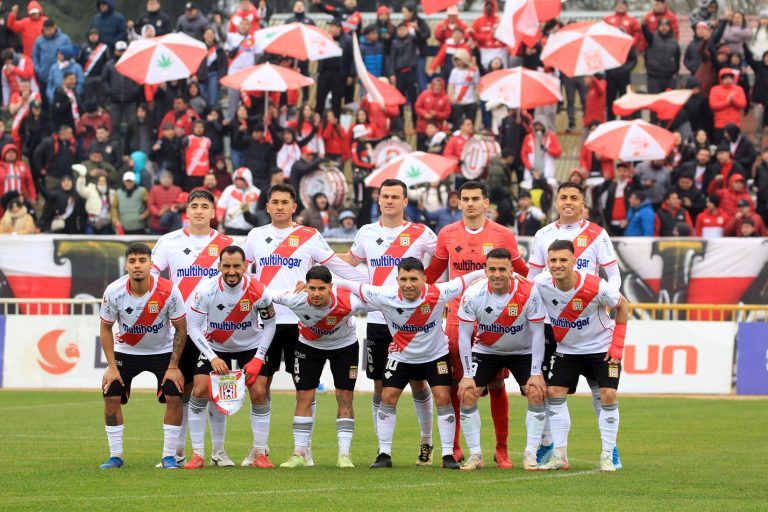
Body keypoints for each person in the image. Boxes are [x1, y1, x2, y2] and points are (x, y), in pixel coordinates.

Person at [242, 183, 365, 468]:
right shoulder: (255, 235)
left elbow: (336, 267)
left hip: (302, 321)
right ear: (267, 206)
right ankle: (259, 448)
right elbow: (243, 273)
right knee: (260, 386)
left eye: (285, 202)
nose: (280, 206)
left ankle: (303, 450)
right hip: (267, 319)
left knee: (304, 389)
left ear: (294, 206)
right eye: (275, 202)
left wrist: (371, 284)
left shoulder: (309, 235)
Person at [339, 257, 484, 468]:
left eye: (414, 279)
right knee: (387, 397)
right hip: (401, 357)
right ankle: (384, 454)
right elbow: (351, 285)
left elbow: (464, 279)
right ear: (397, 279)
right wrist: (319, 284)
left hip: (435, 356)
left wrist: (493, 273)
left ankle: (447, 455)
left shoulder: (438, 292)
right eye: (404, 279)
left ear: (424, 279)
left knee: (443, 398)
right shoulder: (385, 295)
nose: (408, 284)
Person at [423, 181, 529, 465]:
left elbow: (523, 272)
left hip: (494, 320)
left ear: (486, 202)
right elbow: (432, 274)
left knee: (496, 383)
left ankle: (501, 449)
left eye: (475, 199)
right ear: (459, 202)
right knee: (457, 382)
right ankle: (456, 446)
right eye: (465, 199)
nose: (470, 203)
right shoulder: (447, 233)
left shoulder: (503, 234)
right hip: (458, 318)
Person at [335, 178, 440, 466]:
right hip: (377, 319)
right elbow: (350, 262)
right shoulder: (367, 232)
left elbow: (442, 259)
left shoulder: (421, 233)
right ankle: (384, 451)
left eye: (395, 196)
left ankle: (426, 442)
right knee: (380, 386)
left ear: (405, 201)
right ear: (378, 200)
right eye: (385, 196)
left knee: (419, 383)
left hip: (412, 321)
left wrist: (429, 291)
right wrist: (316, 259)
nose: (389, 201)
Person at [527, 181, 622, 468]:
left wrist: (608, 298)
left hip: (591, 317)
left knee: (602, 391)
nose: (568, 202)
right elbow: (532, 280)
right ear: (556, 202)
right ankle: (550, 446)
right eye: (563, 197)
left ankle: (610, 450)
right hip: (553, 326)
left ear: (583, 203)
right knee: (550, 391)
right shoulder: (543, 235)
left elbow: (613, 274)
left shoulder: (597, 234)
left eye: (573, 198)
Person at [150, 189, 235, 466]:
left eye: (204, 206)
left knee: (214, 391)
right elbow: (151, 279)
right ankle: (177, 452)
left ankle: (218, 451)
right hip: (181, 330)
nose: (199, 211)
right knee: (180, 392)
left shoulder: (226, 244)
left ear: (213, 212)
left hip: (216, 331)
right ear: (187, 211)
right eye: (194, 206)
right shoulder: (168, 241)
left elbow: (242, 280)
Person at [534, 239, 629, 472]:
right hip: (567, 350)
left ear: (574, 261)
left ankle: (608, 455)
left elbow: (623, 305)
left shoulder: (596, 285)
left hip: (601, 349)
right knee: (554, 393)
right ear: (547, 262)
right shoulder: (540, 283)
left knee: (608, 394)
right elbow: (518, 289)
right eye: (553, 260)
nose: (557, 265)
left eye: (563, 260)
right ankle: (560, 456)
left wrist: (617, 346)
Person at [183, 245, 276, 469]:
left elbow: (271, 324)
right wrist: (212, 357)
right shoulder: (206, 290)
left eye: (236, 266)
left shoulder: (258, 290)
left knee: (259, 392)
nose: (231, 271)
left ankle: (259, 453)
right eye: (226, 266)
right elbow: (193, 327)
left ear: (245, 266)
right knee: (200, 390)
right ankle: (199, 454)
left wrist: (258, 358)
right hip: (215, 347)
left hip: (251, 346)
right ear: (219, 266)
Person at [98, 242, 187, 469]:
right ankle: (115, 456)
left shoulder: (169, 290)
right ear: (126, 266)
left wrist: (173, 366)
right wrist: (111, 367)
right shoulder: (114, 291)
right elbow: (105, 328)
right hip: (126, 351)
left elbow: (181, 329)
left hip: (162, 351)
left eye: (142, 261)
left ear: (150, 264)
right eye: (132, 261)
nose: (137, 265)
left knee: (175, 396)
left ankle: (169, 456)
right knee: (110, 396)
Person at [455, 248, 546, 470]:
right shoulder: (473, 293)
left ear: (512, 271)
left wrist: (536, 372)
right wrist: (467, 374)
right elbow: (464, 336)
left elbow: (538, 334)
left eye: (502, 269)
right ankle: (475, 455)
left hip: (522, 352)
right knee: (467, 393)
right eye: (492, 269)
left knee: (536, 392)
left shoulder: (529, 291)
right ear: (485, 270)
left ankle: (530, 455)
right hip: (486, 350)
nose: (497, 274)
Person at [270, 265, 367, 468]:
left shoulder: (349, 301)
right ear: (305, 287)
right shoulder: (294, 297)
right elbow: (263, 294)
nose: (316, 294)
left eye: (321, 288)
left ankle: (344, 455)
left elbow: (380, 300)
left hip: (344, 347)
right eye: (312, 288)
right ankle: (299, 454)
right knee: (303, 397)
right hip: (309, 346)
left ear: (331, 287)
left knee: (345, 396)